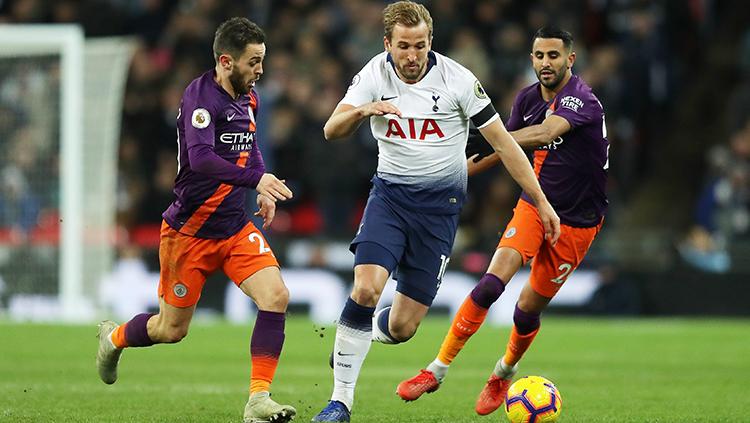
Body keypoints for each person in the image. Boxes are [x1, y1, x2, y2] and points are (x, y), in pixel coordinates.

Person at [311, 3, 560, 422]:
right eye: (403, 46)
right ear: (387, 43)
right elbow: (330, 130)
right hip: (388, 199)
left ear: (431, 42)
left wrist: (540, 199)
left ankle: (353, 339)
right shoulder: (374, 73)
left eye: (420, 45)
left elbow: (504, 144)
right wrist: (363, 110)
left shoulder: (458, 80)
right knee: (367, 290)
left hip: (439, 212)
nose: (412, 55)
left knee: (404, 327)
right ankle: (340, 402)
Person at [397, 26, 609, 417]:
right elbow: (501, 150)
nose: (546, 63)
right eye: (539, 56)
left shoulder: (582, 99)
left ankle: (502, 373)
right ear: (531, 59)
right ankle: (436, 369)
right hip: (535, 204)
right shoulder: (527, 99)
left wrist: (496, 138)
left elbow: (543, 133)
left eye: (554, 56)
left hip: (577, 223)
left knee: (527, 310)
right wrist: (442, 178)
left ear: (570, 60)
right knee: (491, 283)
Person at [95, 17, 297, 423]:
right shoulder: (200, 98)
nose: (260, 70)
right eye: (253, 62)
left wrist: (259, 187)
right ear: (226, 61)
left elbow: (249, 146)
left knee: (276, 296)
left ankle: (258, 400)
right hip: (189, 233)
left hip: (234, 226)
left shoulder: (248, 97)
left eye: (262, 61)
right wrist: (258, 177)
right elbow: (202, 160)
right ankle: (114, 338)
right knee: (171, 330)